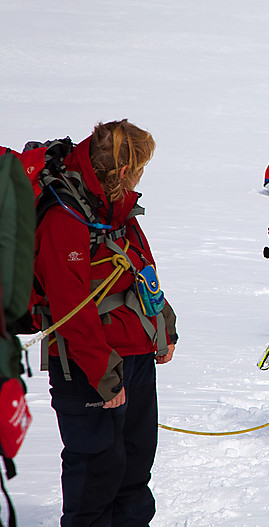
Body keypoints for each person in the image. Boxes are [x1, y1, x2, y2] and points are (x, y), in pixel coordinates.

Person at [32, 120, 178, 526]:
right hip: (85, 364)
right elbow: (69, 305)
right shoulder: (64, 215)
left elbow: (140, 265)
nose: (141, 175)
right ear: (120, 171)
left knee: (134, 466)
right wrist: (102, 372)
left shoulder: (115, 205)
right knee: (96, 471)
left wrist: (162, 325)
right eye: (139, 167)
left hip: (133, 354)